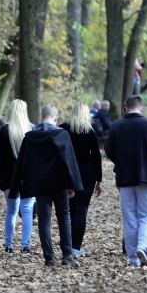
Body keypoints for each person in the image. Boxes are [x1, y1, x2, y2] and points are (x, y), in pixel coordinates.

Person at [10, 104, 83, 268]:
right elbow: (69, 161)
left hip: (40, 184)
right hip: (60, 183)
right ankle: (67, 256)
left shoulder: (30, 137)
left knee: (44, 220)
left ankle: (49, 258)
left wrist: (25, 187)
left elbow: (24, 163)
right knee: (64, 216)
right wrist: (72, 184)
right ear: (56, 118)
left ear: (41, 117)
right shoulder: (61, 134)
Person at [105, 95, 147, 267]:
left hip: (125, 178)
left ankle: (133, 259)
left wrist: (121, 162)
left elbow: (109, 150)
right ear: (141, 108)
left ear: (125, 108)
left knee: (130, 218)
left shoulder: (116, 126)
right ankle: (144, 247)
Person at [60, 101, 103, 258]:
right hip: (87, 174)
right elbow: (96, 157)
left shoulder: (63, 129)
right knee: (81, 210)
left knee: (68, 210)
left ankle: (67, 245)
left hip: (68, 173)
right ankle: (76, 247)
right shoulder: (90, 132)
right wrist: (99, 180)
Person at [0, 99, 35, 255]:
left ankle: (8, 245)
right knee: (27, 211)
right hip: (27, 177)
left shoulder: (4, 130)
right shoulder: (32, 129)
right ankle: (25, 246)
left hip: (8, 176)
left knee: (11, 211)